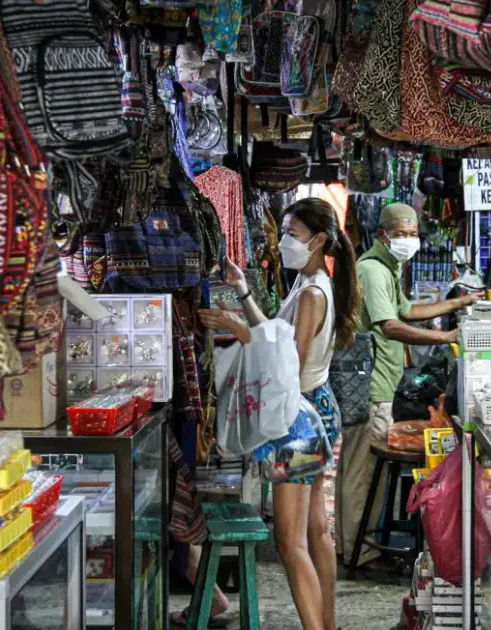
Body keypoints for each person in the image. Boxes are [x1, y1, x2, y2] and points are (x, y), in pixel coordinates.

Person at [200, 197, 360, 630]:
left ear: (320, 240)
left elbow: (285, 360)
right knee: (314, 533)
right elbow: (274, 332)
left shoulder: (311, 292)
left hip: (296, 424)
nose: (284, 241)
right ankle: (327, 623)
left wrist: (236, 330)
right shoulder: (310, 283)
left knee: (290, 543)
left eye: (293, 234)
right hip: (313, 409)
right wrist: (243, 291)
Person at [339, 203, 479, 567]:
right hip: (369, 385)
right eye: (401, 234)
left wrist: (459, 302)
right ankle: (358, 551)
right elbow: (391, 326)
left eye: (413, 233)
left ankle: (353, 544)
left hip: (381, 380)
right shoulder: (371, 270)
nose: (409, 240)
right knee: (362, 471)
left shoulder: (388, 266)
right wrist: (445, 336)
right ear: (382, 234)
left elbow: (406, 312)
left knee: (361, 469)